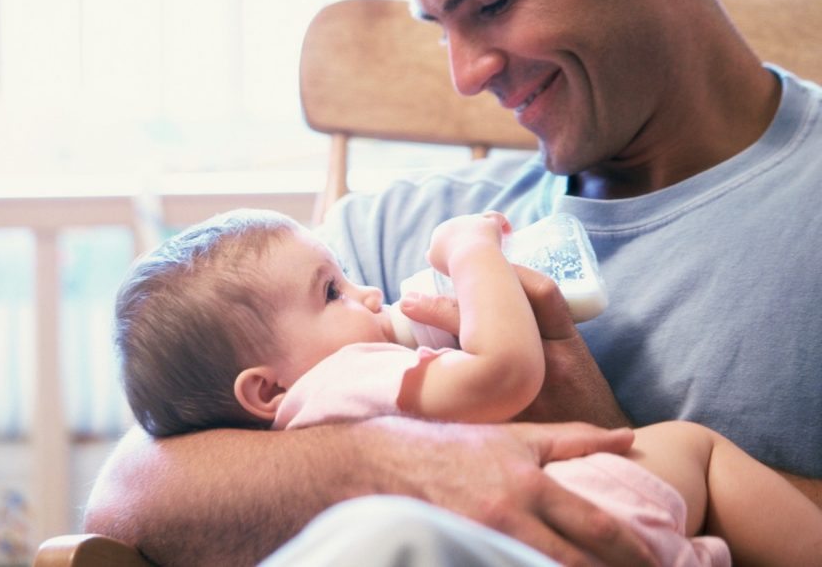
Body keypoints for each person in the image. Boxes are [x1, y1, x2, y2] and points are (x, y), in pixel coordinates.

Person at [85, 0, 822, 564]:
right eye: (442, 25)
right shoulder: (384, 234)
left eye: (494, 2)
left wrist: (604, 446)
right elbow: (129, 496)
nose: (465, 75)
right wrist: (396, 462)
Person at [112, 207, 821, 565]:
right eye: (331, 291)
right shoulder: (346, 377)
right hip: (548, 526)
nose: (367, 295)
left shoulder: (320, 406)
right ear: (264, 393)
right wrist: (471, 252)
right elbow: (504, 376)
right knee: (688, 447)